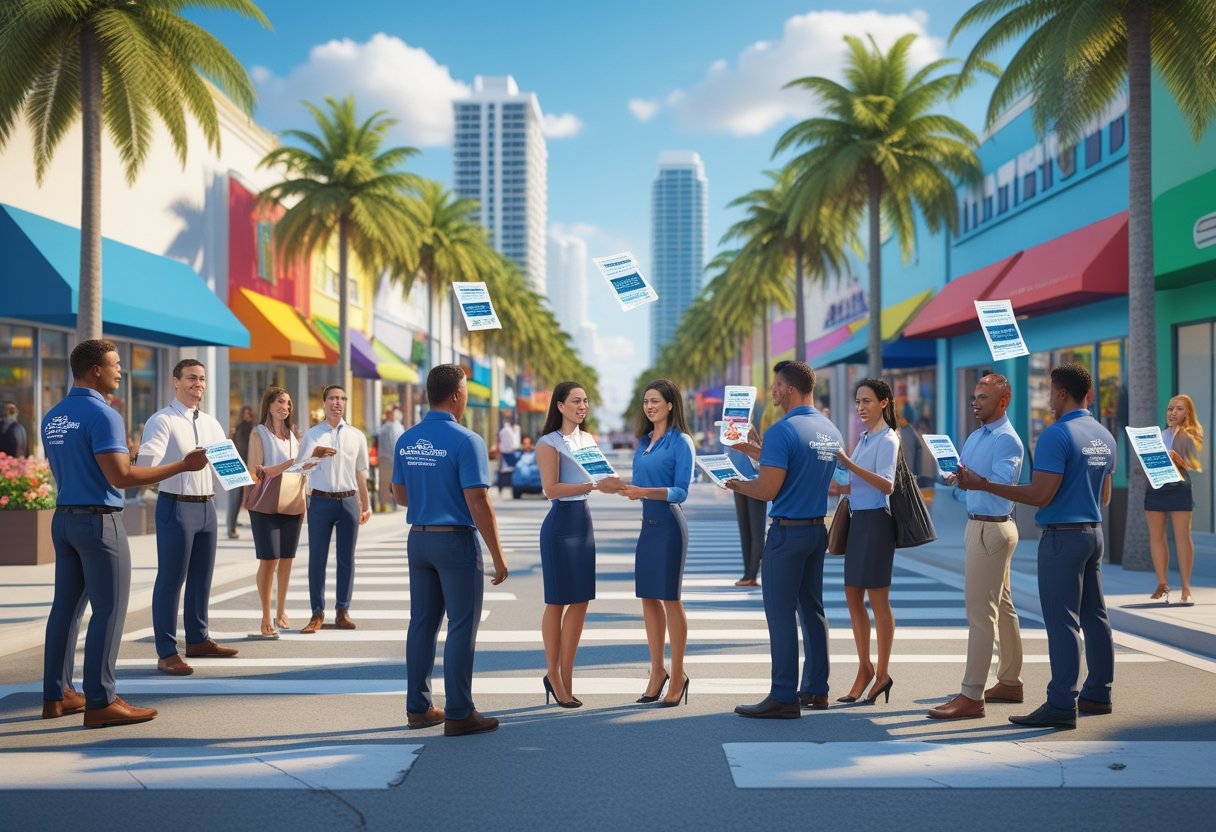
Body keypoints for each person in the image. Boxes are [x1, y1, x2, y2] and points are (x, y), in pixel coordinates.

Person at [41, 339, 207, 726]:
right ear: (96, 369)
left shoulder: (54, 415)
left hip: (64, 518)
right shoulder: (105, 414)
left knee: (64, 610)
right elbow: (122, 476)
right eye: (115, 365)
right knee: (109, 610)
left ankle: (58, 695)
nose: (120, 371)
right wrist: (183, 465)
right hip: (99, 522)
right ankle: (101, 700)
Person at [957, 363, 1116, 730]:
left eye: (1049, 391)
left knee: (1062, 623)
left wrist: (984, 485)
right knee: (1095, 616)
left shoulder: (1056, 435)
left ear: (1061, 394)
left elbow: (1040, 495)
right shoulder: (1103, 436)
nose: (1048, 400)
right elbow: (1104, 496)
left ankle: (1061, 703)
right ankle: (1098, 693)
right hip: (1094, 533)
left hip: (1062, 537)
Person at [393, 364, 509, 736]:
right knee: (461, 625)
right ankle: (459, 712)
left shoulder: (406, 439)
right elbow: (478, 499)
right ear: (457, 395)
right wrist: (498, 554)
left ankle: (419, 707)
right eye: (466, 392)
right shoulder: (466, 440)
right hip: (454, 540)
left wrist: (429, 493)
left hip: (419, 538)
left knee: (422, 623)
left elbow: (398, 495)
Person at [729, 361, 842, 719]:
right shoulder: (829, 430)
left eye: (776, 386)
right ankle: (816, 689)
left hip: (787, 532)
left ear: (789, 389)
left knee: (780, 615)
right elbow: (797, 465)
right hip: (815, 530)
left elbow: (766, 489)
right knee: (813, 609)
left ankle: (783, 695)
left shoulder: (781, 430)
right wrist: (754, 452)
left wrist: (735, 484)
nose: (772, 392)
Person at [927, 374, 1026, 720]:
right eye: (974, 395)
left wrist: (973, 481)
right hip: (980, 525)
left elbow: (1003, 484)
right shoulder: (976, 436)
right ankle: (1011, 681)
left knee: (980, 615)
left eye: (983, 397)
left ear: (1002, 401)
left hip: (992, 529)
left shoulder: (1006, 440)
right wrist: (956, 476)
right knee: (1003, 606)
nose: (975, 401)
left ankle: (971, 696)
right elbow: (967, 480)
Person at [140, 358, 239, 676]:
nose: (198, 384)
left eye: (202, 379)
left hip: (207, 507)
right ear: (176, 381)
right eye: (192, 378)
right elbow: (144, 468)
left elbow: (231, 473)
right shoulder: (162, 421)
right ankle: (166, 652)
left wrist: (271, 471)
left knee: (202, 577)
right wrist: (183, 464)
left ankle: (197, 639)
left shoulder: (212, 423)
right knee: (171, 580)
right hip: (175, 505)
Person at [534, 382, 622, 707]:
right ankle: (553, 676)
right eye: (575, 401)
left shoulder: (588, 440)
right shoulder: (548, 443)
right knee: (557, 602)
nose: (582, 406)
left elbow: (604, 477)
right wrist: (593, 484)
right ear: (559, 405)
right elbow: (551, 490)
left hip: (583, 522)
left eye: (585, 401)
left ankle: (566, 676)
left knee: (581, 601)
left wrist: (618, 485)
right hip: (559, 524)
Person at [617, 379, 696, 707]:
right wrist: (619, 486)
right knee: (648, 599)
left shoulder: (682, 442)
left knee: (669, 599)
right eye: (646, 401)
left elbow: (681, 492)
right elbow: (639, 483)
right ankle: (657, 672)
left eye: (656, 401)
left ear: (670, 405)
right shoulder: (645, 441)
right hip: (647, 527)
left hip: (668, 525)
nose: (650, 406)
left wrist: (644, 492)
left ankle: (677, 675)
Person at [834, 377, 900, 706]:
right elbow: (857, 482)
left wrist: (849, 465)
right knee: (852, 597)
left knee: (878, 601)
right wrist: (839, 483)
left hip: (877, 522)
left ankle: (883, 672)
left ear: (884, 402)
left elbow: (887, 485)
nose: (861, 407)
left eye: (867, 401)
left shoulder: (888, 439)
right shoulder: (863, 438)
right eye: (858, 401)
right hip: (859, 521)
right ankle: (864, 667)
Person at [246, 387, 328, 638]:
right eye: (280, 401)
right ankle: (265, 617)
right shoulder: (258, 433)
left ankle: (281, 610)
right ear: (269, 404)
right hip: (266, 502)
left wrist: (313, 459)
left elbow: (299, 469)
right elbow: (256, 471)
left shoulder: (293, 436)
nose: (286, 406)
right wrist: (290, 463)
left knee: (287, 559)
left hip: (292, 498)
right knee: (269, 559)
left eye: (289, 403)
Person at [298, 385, 371, 634]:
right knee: (317, 559)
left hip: (349, 501)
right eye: (332, 398)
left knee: (346, 559)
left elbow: (361, 472)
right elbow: (301, 470)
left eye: (341, 399)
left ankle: (342, 611)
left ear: (345, 403)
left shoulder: (356, 435)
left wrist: (367, 503)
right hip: (319, 501)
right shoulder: (312, 435)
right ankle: (317, 614)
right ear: (324, 402)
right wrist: (316, 455)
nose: (337, 403)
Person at [1144, 394, 1204, 605]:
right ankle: (1162, 583)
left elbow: (1196, 464)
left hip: (1179, 486)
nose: (1172, 413)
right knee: (1156, 537)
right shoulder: (1159, 434)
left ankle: (1186, 588)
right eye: (1170, 409)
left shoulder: (1191, 435)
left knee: (1182, 536)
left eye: (1178, 409)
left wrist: (1178, 458)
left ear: (1187, 413)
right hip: (1157, 485)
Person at [728, 424, 766, 588]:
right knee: (745, 530)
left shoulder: (752, 428)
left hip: (756, 482)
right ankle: (747, 573)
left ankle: (752, 574)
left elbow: (761, 455)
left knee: (756, 530)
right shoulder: (730, 430)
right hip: (738, 481)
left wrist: (754, 437)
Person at [226, 405, 254, 538]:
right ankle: (231, 528)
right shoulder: (237, 428)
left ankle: (257, 528)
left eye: (249, 413)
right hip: (237, 464)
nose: (246, 415)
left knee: (255, 498)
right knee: (235, 498)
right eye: (244, 413)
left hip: (251, 465)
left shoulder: (255, 428)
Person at [377, 407, 405, 511]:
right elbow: (398, 444)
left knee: (384, 483)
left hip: (383, 459)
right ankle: (396, 503)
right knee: (395, 482)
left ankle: (384, 504)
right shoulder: (398, 428)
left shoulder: (383, 428)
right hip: (393, 459)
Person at [497, 414, 522, 495]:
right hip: (507, 453)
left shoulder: (508, 430)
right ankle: (502, 488)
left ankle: (503, 488)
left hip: (508, 453)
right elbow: (509, 445)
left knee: (506, 471)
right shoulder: (506, 431)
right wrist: (516, 448)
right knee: (506, 472)